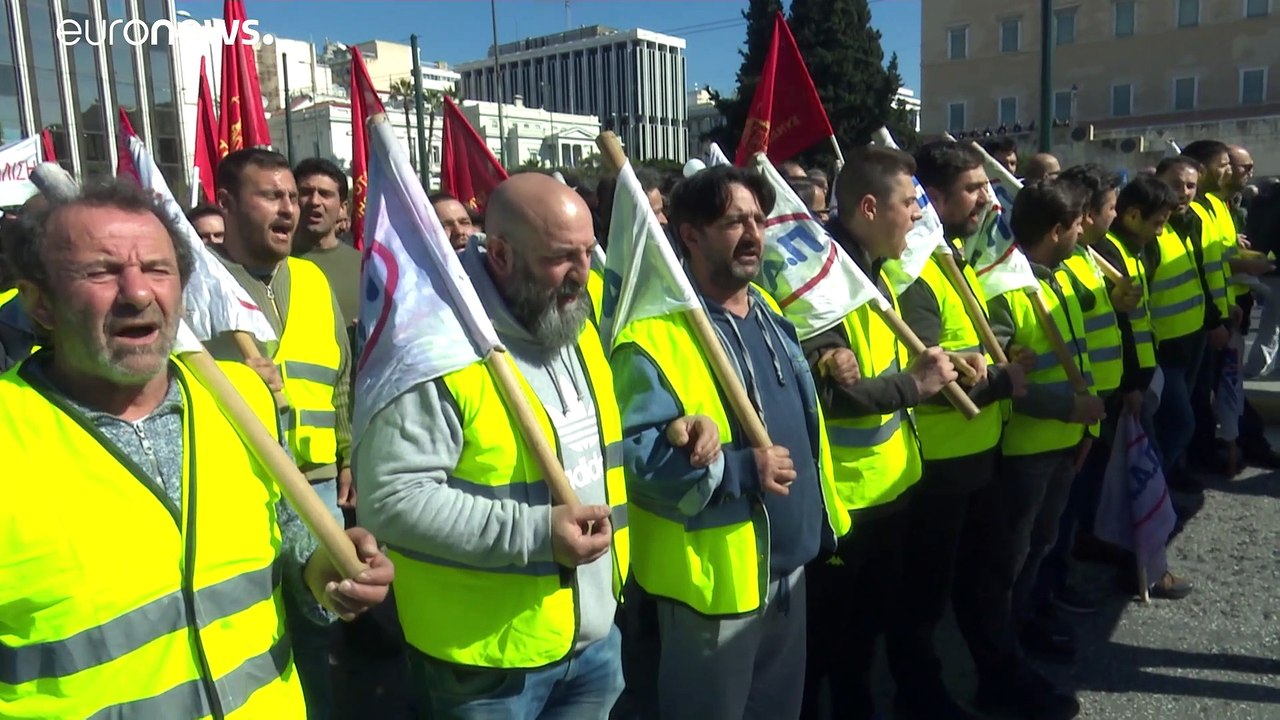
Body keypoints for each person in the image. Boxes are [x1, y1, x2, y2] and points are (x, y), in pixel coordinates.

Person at [0, 178, 392, 718]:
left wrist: (326, 574)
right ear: (40, 303)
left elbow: (291, 553)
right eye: (101, 272)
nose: (138, 293)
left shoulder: (241, 400)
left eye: (158, 269)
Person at [357, 174, 632, 718]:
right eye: (561, 257)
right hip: (486, 667)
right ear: (501, 254)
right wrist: (534, 533)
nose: (583, 271)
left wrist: (677, 426)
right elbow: (390, 499)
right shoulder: (438, 347)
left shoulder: (571, 316)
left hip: (594, 641)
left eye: (587, 249)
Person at [611, 165, 852, 720]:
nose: (753, 234)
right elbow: (635, 460)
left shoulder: (767, 310)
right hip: (715, 592)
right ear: (690, 234)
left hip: (788, 569)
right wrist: (742, 472)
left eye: (758, 220)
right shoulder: (651, 338)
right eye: (733, 222)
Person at [800, 145, 958, 720]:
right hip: (845, 507)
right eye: (909, 203)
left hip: (890, 490)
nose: (919, 215)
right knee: (825, 650)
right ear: (869, 207)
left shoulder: (874, 271)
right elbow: (829, 395)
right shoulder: (820, 278)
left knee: (861, 645)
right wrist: (912, 388)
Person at [208, 148, 354, 717]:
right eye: (271, 196)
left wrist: (346, 455)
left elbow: (340, 380)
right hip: (240, 488)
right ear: (227, 204)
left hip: (315, 487)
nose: (289, 208)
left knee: (323, 629)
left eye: (292, 196)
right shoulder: (200, 282)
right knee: (252, 634)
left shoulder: (314, 281)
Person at [886, 140, 1026, 720]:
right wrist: (1001, 380)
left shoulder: (953, 257)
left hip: (977, 456)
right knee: (920, 603)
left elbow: (976, 348)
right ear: (932, 197)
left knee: (973, 585)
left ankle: (995, 678)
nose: (987, 197)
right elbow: (934, 380)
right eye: (973, 188)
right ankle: (921, 699)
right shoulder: (915, 272)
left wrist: (995, 364)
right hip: (940, 468)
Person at [984, 180, 1106, 720]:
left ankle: (1025, 629)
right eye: (1078, 224)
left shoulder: (1054, 281)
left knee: (1040, 546)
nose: (1084, 231)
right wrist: (1066, 412)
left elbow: (1076, 362)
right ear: (1057, 230)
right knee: (1009, 561)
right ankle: (1001, 660)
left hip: (1062, 445)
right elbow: (1004, 381)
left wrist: (1082, 431)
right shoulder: (1005, 290)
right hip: (1025, 452)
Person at [1093, 175, 1195, 599]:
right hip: (1126, 385)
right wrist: (1131, 385)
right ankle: (1143, 566)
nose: (1163, 230)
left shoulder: (1133, 249)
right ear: (1132, 215)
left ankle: (1128, 546)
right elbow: (1118, 327)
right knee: (1139, 473)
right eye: (1158, 221)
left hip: (1141, 376)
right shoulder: (1109, 254)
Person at [1151, 157, 1213, 490]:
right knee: (1178, 423)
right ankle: (1151, 492)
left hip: (1192, 337)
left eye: (1190, 186)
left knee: (1179, 418)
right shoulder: (1152, 230)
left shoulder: (1185, 224)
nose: (1184, 193)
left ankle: (1171, 475)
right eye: (1176, 184)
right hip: (1164, 347)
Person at [292, 158, 361, 330]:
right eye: (306, 192)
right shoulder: (271, 264)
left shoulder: (367, 267)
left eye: (325, 194)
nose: (315, 201)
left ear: (342, 207)